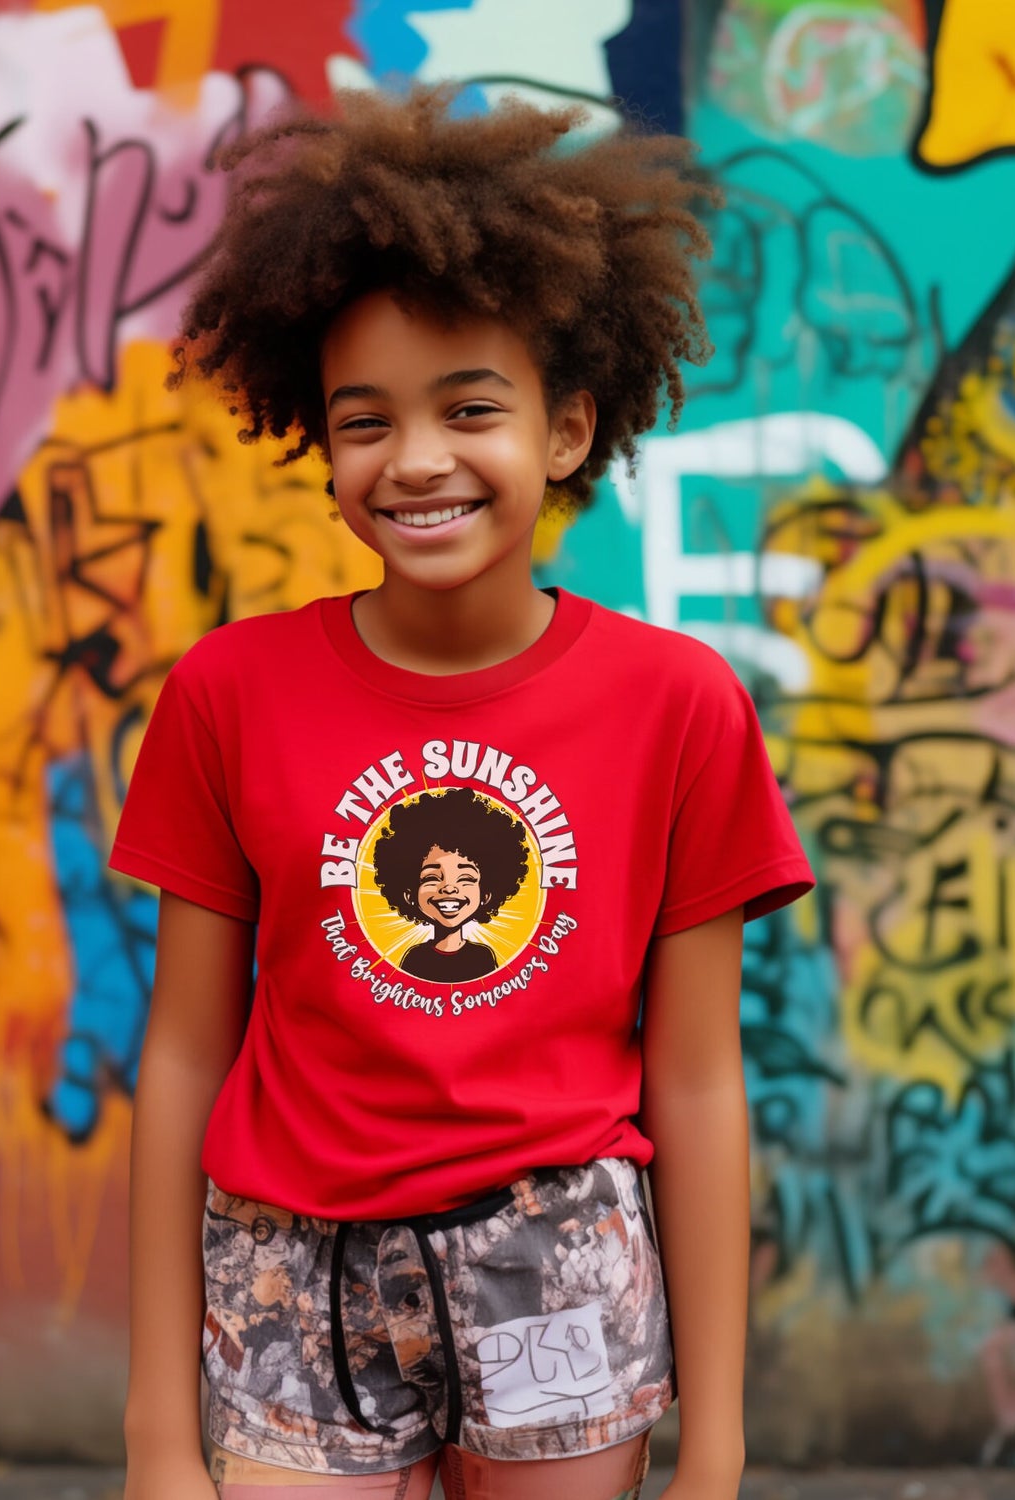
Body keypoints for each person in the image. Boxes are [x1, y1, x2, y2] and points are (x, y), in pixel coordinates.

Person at [111, 86, 814, 1500]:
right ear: (322, 447)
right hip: (286, 1267)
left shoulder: (677, 705)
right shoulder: (228, 695)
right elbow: (185, 1055)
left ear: (566, 432)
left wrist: (719, 1450)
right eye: (363, 420)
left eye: (470, 409)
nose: (416, 460)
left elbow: (694, 1079)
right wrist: (156, 1432)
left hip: (556, 1257)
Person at [371, 786, 532, 982]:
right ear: (409, 895)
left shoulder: (483, 959)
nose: (448, 887)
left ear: (486, 894)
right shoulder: (415, 960)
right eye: (431, 878)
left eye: (465, 878)